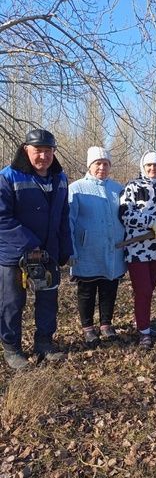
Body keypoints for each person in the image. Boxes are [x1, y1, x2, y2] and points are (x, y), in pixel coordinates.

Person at [0, 129, 72, 369]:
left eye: (48, 150)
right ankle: (12, 349)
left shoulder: (60, 178)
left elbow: (64, 215)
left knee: (47, 299)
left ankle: (44, 344)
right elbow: (2, 218)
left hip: (49, 253)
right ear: (25, 150)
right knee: (12, 303)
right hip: (15, 254)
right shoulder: (8, 177)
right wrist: (31, 244)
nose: (43, 156)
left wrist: (64, 247)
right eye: (38, 150)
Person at [69, 146, 126, 344]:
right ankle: (88, 327)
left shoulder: (118, 189)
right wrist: (71, 249)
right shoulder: (76, 188)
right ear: (90, 165)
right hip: (87, 250)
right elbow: (69, 220)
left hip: (113, 249)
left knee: (109, 287)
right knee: (87, 290)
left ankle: (106, 324)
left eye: (105, 164)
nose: (102, 167)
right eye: (98, 163)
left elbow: (127, 216)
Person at [119, 151, 156, 349]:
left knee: (148, 290)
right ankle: (144, 331)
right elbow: (126, 215)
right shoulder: (132, 187)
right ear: (143, 167)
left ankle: (140, 320)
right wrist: (151, 222)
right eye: (149, 166)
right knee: (143, 291)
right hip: (136, 249)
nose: (152, 169)